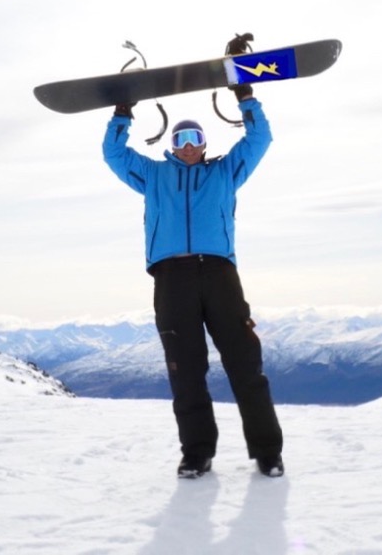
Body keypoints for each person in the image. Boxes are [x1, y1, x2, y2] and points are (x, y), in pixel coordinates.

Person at [102, 82, 284, 479]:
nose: (188, 145)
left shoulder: (225, 172)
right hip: (171, 278)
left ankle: (268, 453)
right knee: (185, 370)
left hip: (219, 274)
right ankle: (197, 453)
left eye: (195, 138)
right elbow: (113, 154)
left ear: (204, 143)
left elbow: (260, 138)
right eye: (181, 138)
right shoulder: (152, 175)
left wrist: (246, 97)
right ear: (171, 143)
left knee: (244, 363)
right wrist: (122, 113)